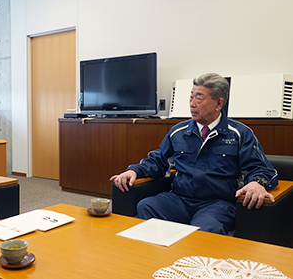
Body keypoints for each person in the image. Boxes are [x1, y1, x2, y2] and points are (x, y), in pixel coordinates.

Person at [110, 73, 278, 235]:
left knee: (206, 229)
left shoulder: (239, 133)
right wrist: (134, 171)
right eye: (191, 97)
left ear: (219, 103)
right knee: (146, 206)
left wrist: (258, 183)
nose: (192, 103)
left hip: (217, 204)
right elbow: (159, 161)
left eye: (199, 98)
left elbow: (263, 169)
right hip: (180, 199)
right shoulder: (178, 131)